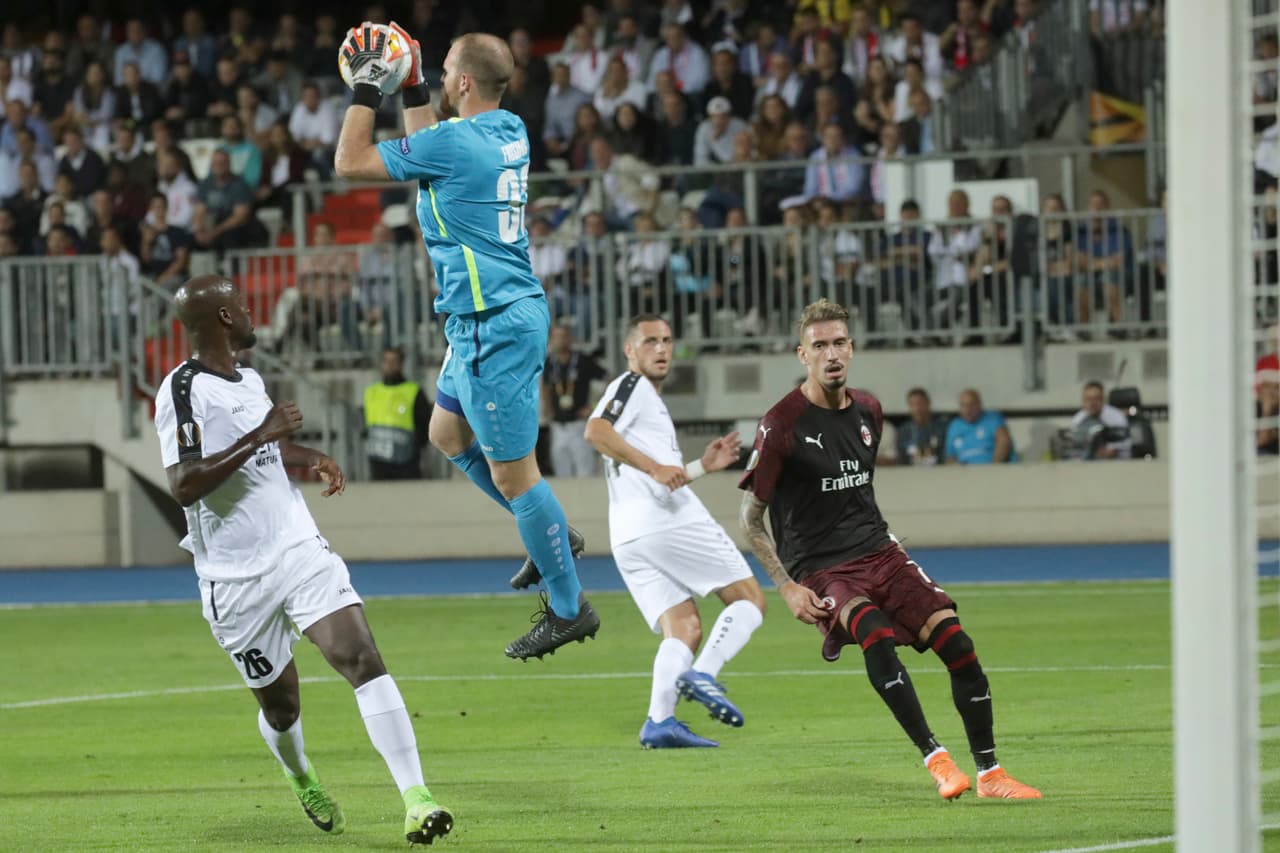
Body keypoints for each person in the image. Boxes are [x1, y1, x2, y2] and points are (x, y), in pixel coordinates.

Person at [152, 275, 452, 845]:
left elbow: (266, 448)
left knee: (361, 657)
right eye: (241, 304)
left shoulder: (250, 378)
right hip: (234, 578)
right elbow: (185, 484)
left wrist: (307, 455)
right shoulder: (182, 389)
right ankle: (300, 774)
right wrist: (262, 433)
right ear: (223, 317)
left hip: (297, 548)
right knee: (282, 709)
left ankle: (417, 798)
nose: (250, 312)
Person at [332, 23, 598, 659]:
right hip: (493, 313)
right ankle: (550, 534)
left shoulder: (452, 142)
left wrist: (369, 88)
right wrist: (415, 84)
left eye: (446, 68)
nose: (441, 77)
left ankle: (570, 608)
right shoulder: (508, 128)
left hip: (490, 324)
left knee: (515, 477)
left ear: (465, 82)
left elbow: (349, 163)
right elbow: (432, 143)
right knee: (446, 434)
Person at [738, 298, 1041, 800]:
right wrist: (787, 586)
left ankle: (991, 775)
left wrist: (886, 539)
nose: (831, 354)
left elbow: (857, 492)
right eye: (820, 346)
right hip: (822, 567)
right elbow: (750, 518)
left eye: (839, 343)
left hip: (879, 551)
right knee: (874, 634)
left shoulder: (870, 411)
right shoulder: (780, 425)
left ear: (852, 348)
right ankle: (937, 760)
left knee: (959, 645)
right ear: (802, 355)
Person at [584, 314, 766, 747]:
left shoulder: (645, 401)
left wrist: (702, 465)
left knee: (683, 626)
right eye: (650, 341)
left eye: (667, 341)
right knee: (750, 599)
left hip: (629, 534)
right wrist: (654, 467)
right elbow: (595, 431)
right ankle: (704, 674)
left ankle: (660, 721)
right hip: (666, 522)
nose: (662, 349)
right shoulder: (632, 386)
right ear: (629, 350)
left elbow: (660, 475)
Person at [543, 323, 606, 477]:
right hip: (558, 425)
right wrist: (549, 410)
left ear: (571, 338)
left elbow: (609, 380)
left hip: (580, 424)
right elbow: (545, 387)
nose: (561, 340)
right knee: (561, 474)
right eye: (557, 337)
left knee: (585, 473)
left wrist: (595, 407)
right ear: (551, 340)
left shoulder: (583, 360)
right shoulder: (549, 363)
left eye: (564, 336)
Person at [364, 347, 432, 480]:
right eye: (386, 361)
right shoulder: (371, 392)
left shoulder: (413, 391)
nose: (390, 365)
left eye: (394, 361)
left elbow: (425, 426)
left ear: (401, 364)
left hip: (406, 463)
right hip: (378, 463)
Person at [946, 388, 1017, 464]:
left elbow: (1004, 442)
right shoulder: (954, 426)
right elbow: (950, 457)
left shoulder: (992, 419)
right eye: (963, 405)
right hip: (965, 469)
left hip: (992, 467)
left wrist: (993, 467)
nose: (967, 410)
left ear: (979, 404)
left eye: (971, 405)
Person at [1069, 381, 1131, 460]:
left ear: (1103, 400)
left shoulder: (1117, 418)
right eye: (1088, 399)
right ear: (1083, 401)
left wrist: (1112, 451)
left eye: (1096, 399)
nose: (1092, 403)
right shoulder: (1077, 420)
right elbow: (1074, 448)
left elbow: (1126, 445)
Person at [896, 387, 948, 465]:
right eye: (912, 404)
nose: (917, 408)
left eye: (920, 403)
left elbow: (945, 458)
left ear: (928, 403)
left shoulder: (941, 429)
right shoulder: (903, 431)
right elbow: (901, 460)